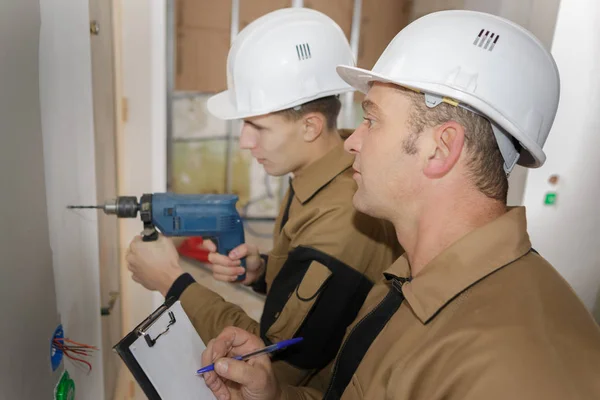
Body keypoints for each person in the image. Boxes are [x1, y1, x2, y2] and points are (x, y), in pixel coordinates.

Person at [199, 10, 600, 400]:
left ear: (440, 149)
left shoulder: (516, 367)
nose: (352, 141)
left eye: (372, 120)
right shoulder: (404, 280)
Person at [124, 7, 402, 387]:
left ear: (310, 126)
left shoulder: (340, 222)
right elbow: (322, 295)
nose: (244, 141)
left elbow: (272, 360)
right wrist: (266, 272)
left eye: (257, 126)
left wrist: (171, 281)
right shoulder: (319, 174)